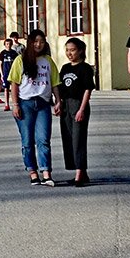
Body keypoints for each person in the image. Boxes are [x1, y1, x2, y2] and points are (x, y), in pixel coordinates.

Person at [7, 29, 57, 186]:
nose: (38, 44)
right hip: (25, 103)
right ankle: (32, 171)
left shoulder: (47, 61)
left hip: (43, 103)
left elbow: (55, 82)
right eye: (35, 41)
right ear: (30, 42)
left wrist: (58, 100)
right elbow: (14, 84)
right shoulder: (20, 60)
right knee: (27, 140)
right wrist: (15, 105)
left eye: (41, 42)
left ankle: (46, 172)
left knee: (43, 139)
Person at [54, 37, 96, 187]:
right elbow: (59, 88)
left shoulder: (85, 68)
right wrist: (58, 103)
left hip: (79, 104)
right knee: (69, 139)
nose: (69, 53)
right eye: (67, 50)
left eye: (72, 50)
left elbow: (87, 89)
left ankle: (80, 172)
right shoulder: (65, 68)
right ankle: (81, 172)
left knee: (78, 139)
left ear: (80, 51)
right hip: (66, 105)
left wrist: (82, 109)